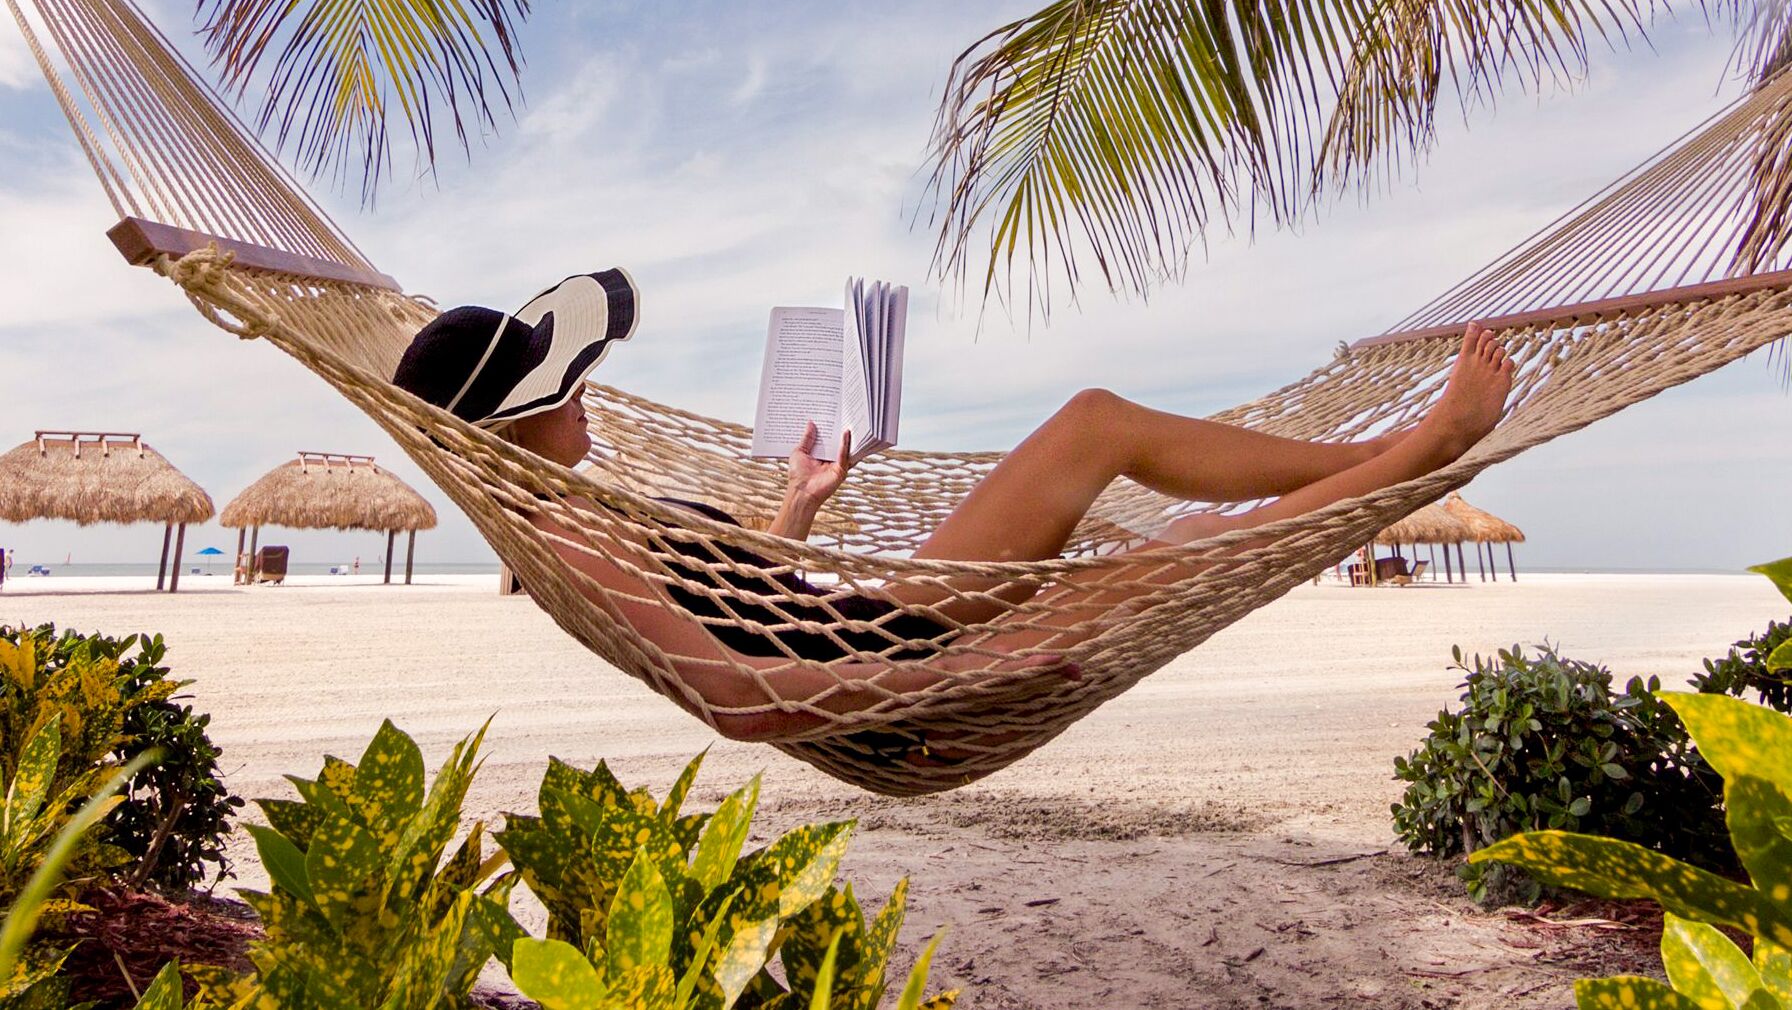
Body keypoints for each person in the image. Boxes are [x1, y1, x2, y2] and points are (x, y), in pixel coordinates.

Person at [394, 268, 1515, 743]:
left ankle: (1383, 451)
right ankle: (1424, 449)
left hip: (864, 614)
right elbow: (730, 686)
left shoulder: (578, 511)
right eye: (556, 386)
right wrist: (958, 678)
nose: (583, 388)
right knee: (1168, 549)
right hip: (887, 655)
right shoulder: (564, 541)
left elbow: (743, 607)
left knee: (1094, 427)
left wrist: (797, 502)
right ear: (497, 428)